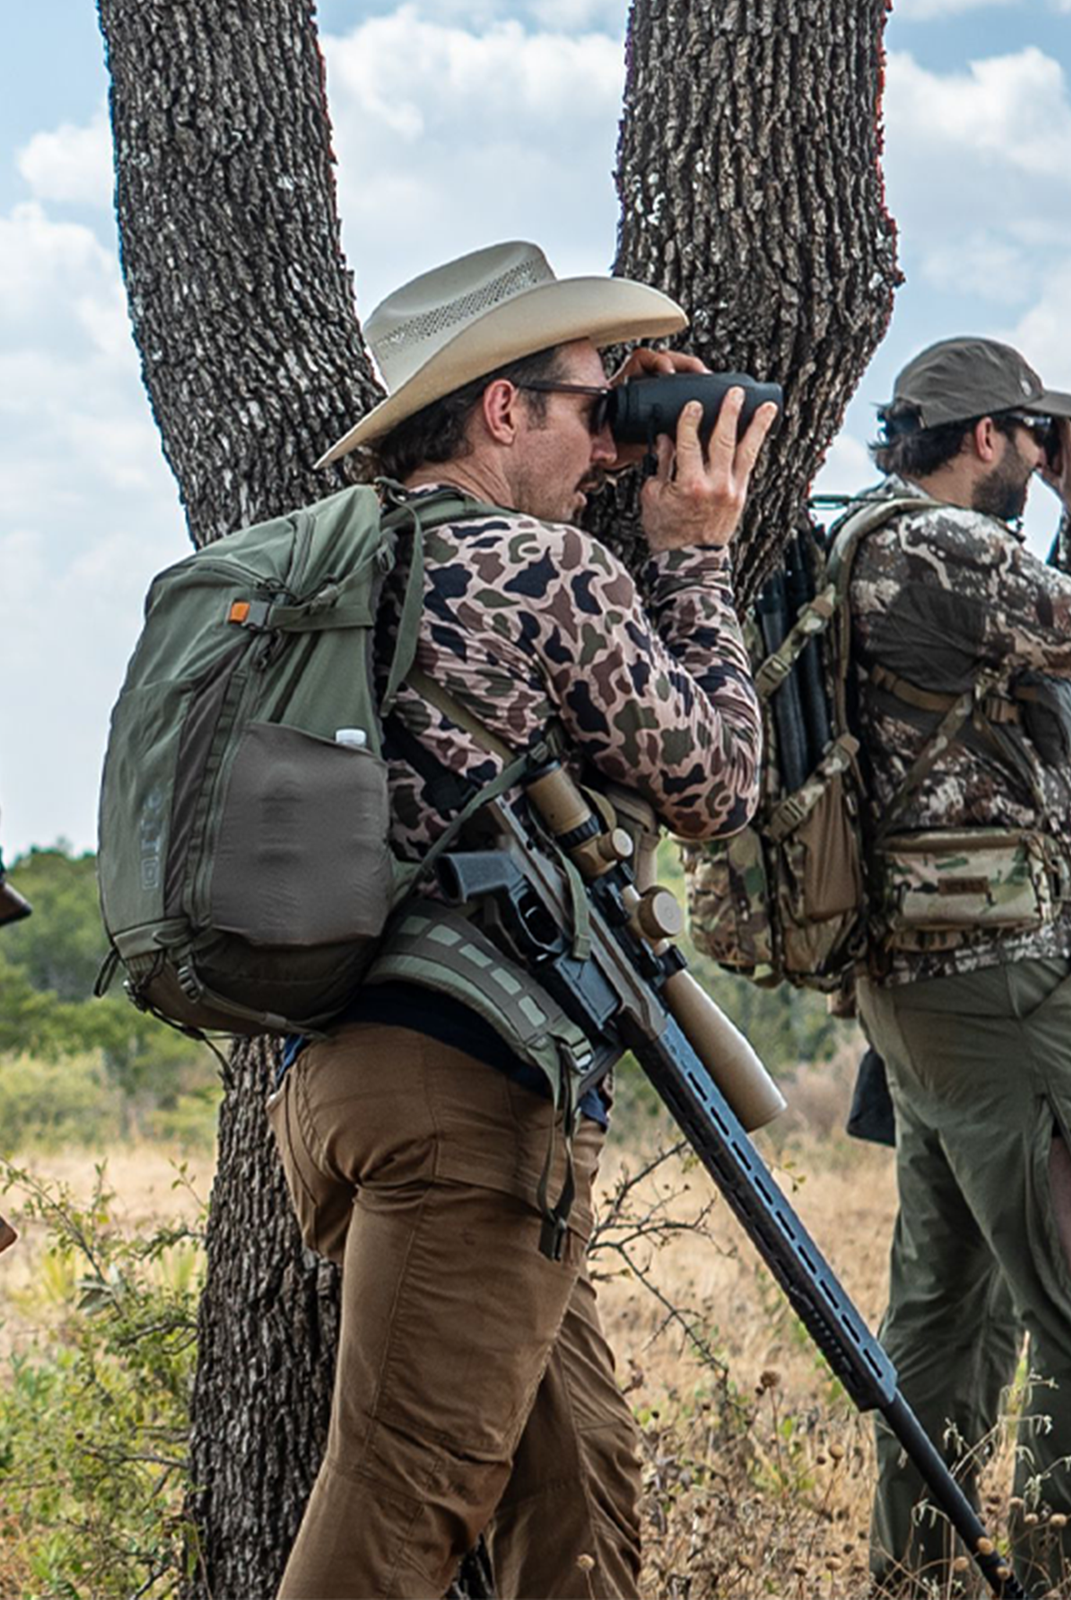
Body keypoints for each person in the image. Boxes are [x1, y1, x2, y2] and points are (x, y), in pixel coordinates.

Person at [264, 240, 776, 1598]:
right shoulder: (544, 575)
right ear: (501, 411)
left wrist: (605, 438)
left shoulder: (342, 564)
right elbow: (719, 783)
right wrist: (693, 553)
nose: (608, 435)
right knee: (396, 1514)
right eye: (585, 399)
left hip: (341, 1075)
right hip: (472, 1099)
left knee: (577, 1493)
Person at [847, 336, 1071, 1597]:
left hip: (917, 991)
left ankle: (918, 1576)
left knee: (948, 1321)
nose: (1050, 466)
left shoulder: (875, 546)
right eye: (1036, 441)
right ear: (985, 437)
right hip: (1008, 983)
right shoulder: (946, 552)